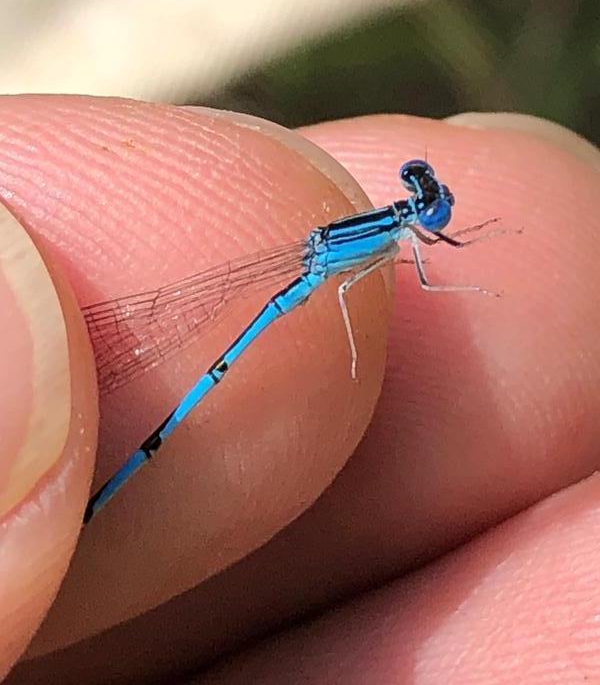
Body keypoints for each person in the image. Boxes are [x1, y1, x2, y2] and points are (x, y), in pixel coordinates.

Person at [2, 97, 599, 683]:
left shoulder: (395, 227)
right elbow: (354, 289)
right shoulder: (395, 232)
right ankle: (87, 508)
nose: (431, 215)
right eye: (429, 209)